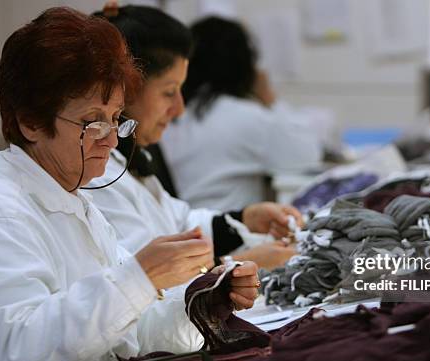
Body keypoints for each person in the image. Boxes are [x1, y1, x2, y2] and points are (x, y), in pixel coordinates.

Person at [0, 8, 258, 361]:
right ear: (30, 122)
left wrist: (205, 302)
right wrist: (140, 279)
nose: (111, 140)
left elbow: (130, 334)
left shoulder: (77, 199)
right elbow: (17, 354)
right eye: (93, 122)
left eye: (115, 119)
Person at [87, 5, 298, 270]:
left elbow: (178, 222)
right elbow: (144, 278)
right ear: (125, 90)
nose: (179, 109)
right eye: (168, 92)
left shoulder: (130, 156)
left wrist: (244, 219)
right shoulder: (98, 173)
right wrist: (238, 264)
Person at [160, 16, 323, 211]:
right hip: (226, 231)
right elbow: (306, 155)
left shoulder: (170, 114)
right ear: (244, 65)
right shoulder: (244, 116)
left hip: (179, 227)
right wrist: (270, 100)